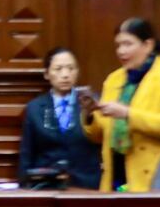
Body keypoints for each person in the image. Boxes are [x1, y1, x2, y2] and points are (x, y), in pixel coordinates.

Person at [80, 18, 160, 192]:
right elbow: (98, 136)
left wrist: (127, 113)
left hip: (153, 179)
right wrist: (90, 114)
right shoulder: (114, 79)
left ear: (148, 45)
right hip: (115, 177)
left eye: (128, 44)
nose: (121, 51)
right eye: (118, 45)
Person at [18, 47, 102, 188]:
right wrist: (24, 187)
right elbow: (27, 153)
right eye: (58, 69)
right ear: (46, 74)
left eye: (71, 68)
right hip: (46, 185)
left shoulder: (91, 104)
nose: (65, 75)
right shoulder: (34, 108)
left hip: (86, 185)